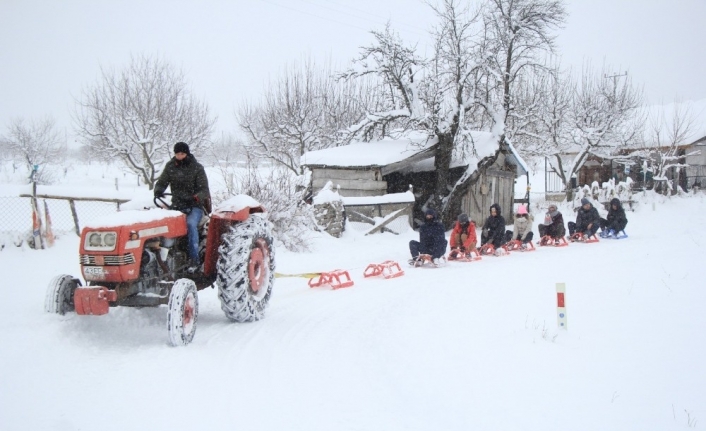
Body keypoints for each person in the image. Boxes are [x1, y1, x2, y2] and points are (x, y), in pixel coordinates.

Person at [154, 142, 211, 272]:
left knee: (190, 224)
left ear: (187, 153)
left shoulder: (197, 168)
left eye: (182, 154)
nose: (179, 156)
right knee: (164, 225)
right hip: (176, 205)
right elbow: (162, 182)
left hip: (193, 206)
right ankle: (163, 256)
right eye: (177, 154)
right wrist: (158, 190)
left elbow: (204, 190)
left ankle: (194, 259)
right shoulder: (170, 167)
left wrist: (196, 197)